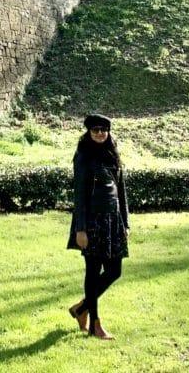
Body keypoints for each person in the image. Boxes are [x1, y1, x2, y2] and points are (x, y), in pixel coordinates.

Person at [66, 113, 129, 340]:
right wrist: (81, 229)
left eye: (104, 129)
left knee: (114, 271)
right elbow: (80, 195)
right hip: (92, 222)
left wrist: (126, 223)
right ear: (89, 132)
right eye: (96, 130)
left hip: (113, 221)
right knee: (92, 273)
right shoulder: (83, 157)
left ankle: (81, 308)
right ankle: (94, 324)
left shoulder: (113, 154)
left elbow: (121, 191)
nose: (100, 133)